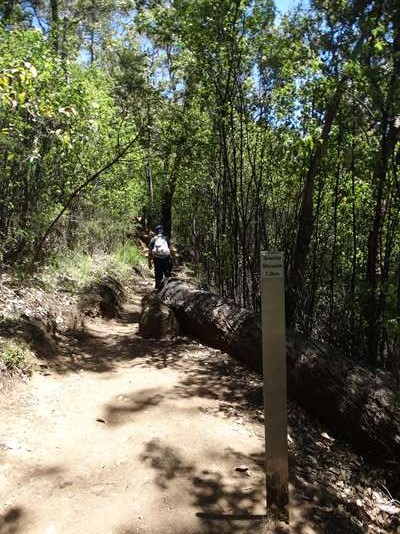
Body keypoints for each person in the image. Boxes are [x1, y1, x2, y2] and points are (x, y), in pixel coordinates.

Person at [148, 225, 175, 291]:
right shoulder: (166, 238)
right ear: (162, 231)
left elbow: (150, 252)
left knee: (158, 274)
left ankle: (157, 289)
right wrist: (174, 259)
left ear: (156, 231)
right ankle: (168, 290)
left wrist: (149, 262)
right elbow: (171, 249)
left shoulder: (153, 239)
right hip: (166, 258)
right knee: (167, 274)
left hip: (157, 258)